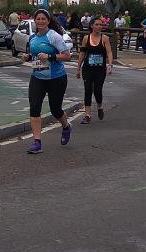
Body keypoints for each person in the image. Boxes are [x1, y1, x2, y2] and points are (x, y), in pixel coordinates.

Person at [20, 9, 72, 154]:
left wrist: (50, 56)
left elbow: (67, 56)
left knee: (55, 109)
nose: (40, 21)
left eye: (43, 19)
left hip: (56, 78)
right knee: (34, 106)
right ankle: (37, 141)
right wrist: (27, 57)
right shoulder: (32, 38)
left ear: (48, 21)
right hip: (37, 77)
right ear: (35, 21)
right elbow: (34, 56)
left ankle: (66, 126)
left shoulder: (53, 36)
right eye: (38, 19)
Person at [76, 16, 113, 124]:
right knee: (88, 90)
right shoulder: (86, 38)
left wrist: (110, 65)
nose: (99, 27)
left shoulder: (104, 38)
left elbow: (109, 52)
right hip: (88, 69)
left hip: (100, 69)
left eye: (100, 25)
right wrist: (78, 68)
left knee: (97, 90)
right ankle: (87, 115)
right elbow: (82, 53)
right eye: (96, 24)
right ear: (91, 26)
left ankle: (99, 107)